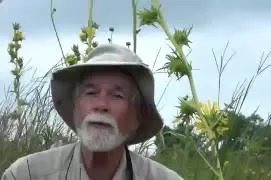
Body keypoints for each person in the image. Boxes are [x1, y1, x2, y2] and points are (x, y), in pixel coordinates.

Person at [1, 44, 183, 180]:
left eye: (117, 95)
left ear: (136, 118)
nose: (101, 105)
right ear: (75, 109)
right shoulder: (27, 174)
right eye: (91, 93)